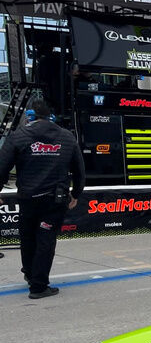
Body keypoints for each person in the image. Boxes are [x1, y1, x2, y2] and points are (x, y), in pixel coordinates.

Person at [0, 98, 85, 298]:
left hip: (28, 197)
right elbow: (79, 170)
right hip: (54, 200)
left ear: (30, 116)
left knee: (28, 237)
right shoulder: (66, 137)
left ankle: (31, 275)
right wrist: (76, 193)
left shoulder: (19, 135)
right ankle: (38, 286)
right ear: (51, 116)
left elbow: (2, 166)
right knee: (45, 239)